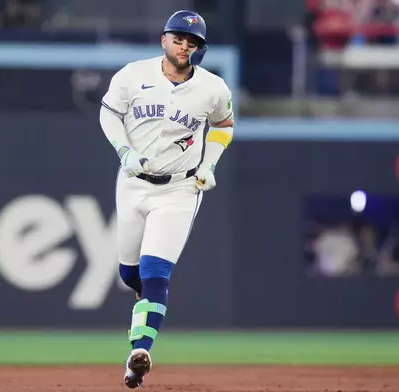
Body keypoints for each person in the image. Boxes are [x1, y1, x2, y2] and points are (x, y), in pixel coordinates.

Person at [98, 9, 234, 389]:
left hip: (180, 188)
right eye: (178, 38)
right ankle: (141, 306)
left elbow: (225, 124)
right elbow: (109, 115)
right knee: (130, 274)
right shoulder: (132, 75)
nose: (184, 46)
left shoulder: (213, 87)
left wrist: (209, 164)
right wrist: (124, 152)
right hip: (132, 182)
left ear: (199, 48)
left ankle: (139, 351)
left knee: (156, 273)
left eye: (192, 42)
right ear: (164, 39)